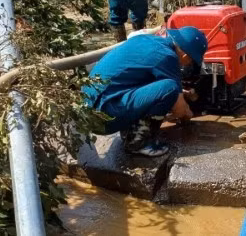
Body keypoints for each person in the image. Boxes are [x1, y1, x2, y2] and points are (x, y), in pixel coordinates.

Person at [83, 26, 208, 156]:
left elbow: (134, 76)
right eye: (190, 61)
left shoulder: (146, 40)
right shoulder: (168, 56)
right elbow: (180, 109)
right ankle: (138, 143)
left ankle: (130, 132)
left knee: (167, 88)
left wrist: (179, 92)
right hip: (103, 120)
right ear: (186, 56)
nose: (187, 64)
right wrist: (187, 114)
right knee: (169, 88)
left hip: (88, 112)